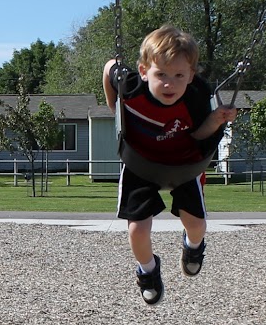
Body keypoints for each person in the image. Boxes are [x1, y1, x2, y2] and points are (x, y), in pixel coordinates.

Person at [102, 25, 238, 305]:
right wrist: (116, 110)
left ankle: (193, 246)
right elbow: (108, 68)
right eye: (161, 74)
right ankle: (148, 270)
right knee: (137, 230)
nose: (169, 84)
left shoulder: (196, 96)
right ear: (144, 71)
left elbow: (199, 135)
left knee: (196, 225)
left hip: (184, 163)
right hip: (140, 164)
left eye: (178, 76)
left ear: (190, 75)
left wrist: (216, 120)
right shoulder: (130, 87)